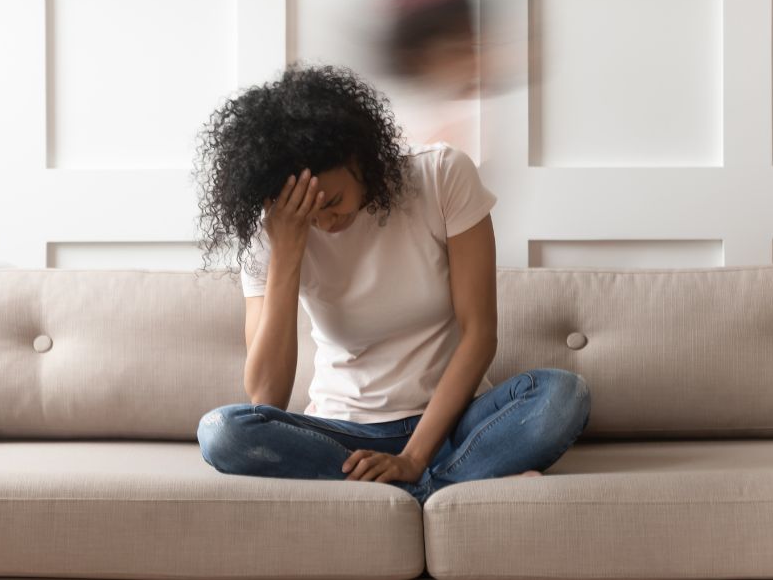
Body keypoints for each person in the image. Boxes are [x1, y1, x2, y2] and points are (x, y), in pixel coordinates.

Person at [193, 64, 590, 506]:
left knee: (563, 394)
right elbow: (266, 396)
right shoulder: (275, 234)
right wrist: (287, 251)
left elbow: (480, 335)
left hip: (454, 422)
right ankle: (451, 484)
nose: (326, 221)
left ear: (360, 159)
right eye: (311, 213)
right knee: (220, 432)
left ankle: (412, 485)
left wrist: (414, 457)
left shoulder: (441, 176)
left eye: (335, 202)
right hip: (342, 437)